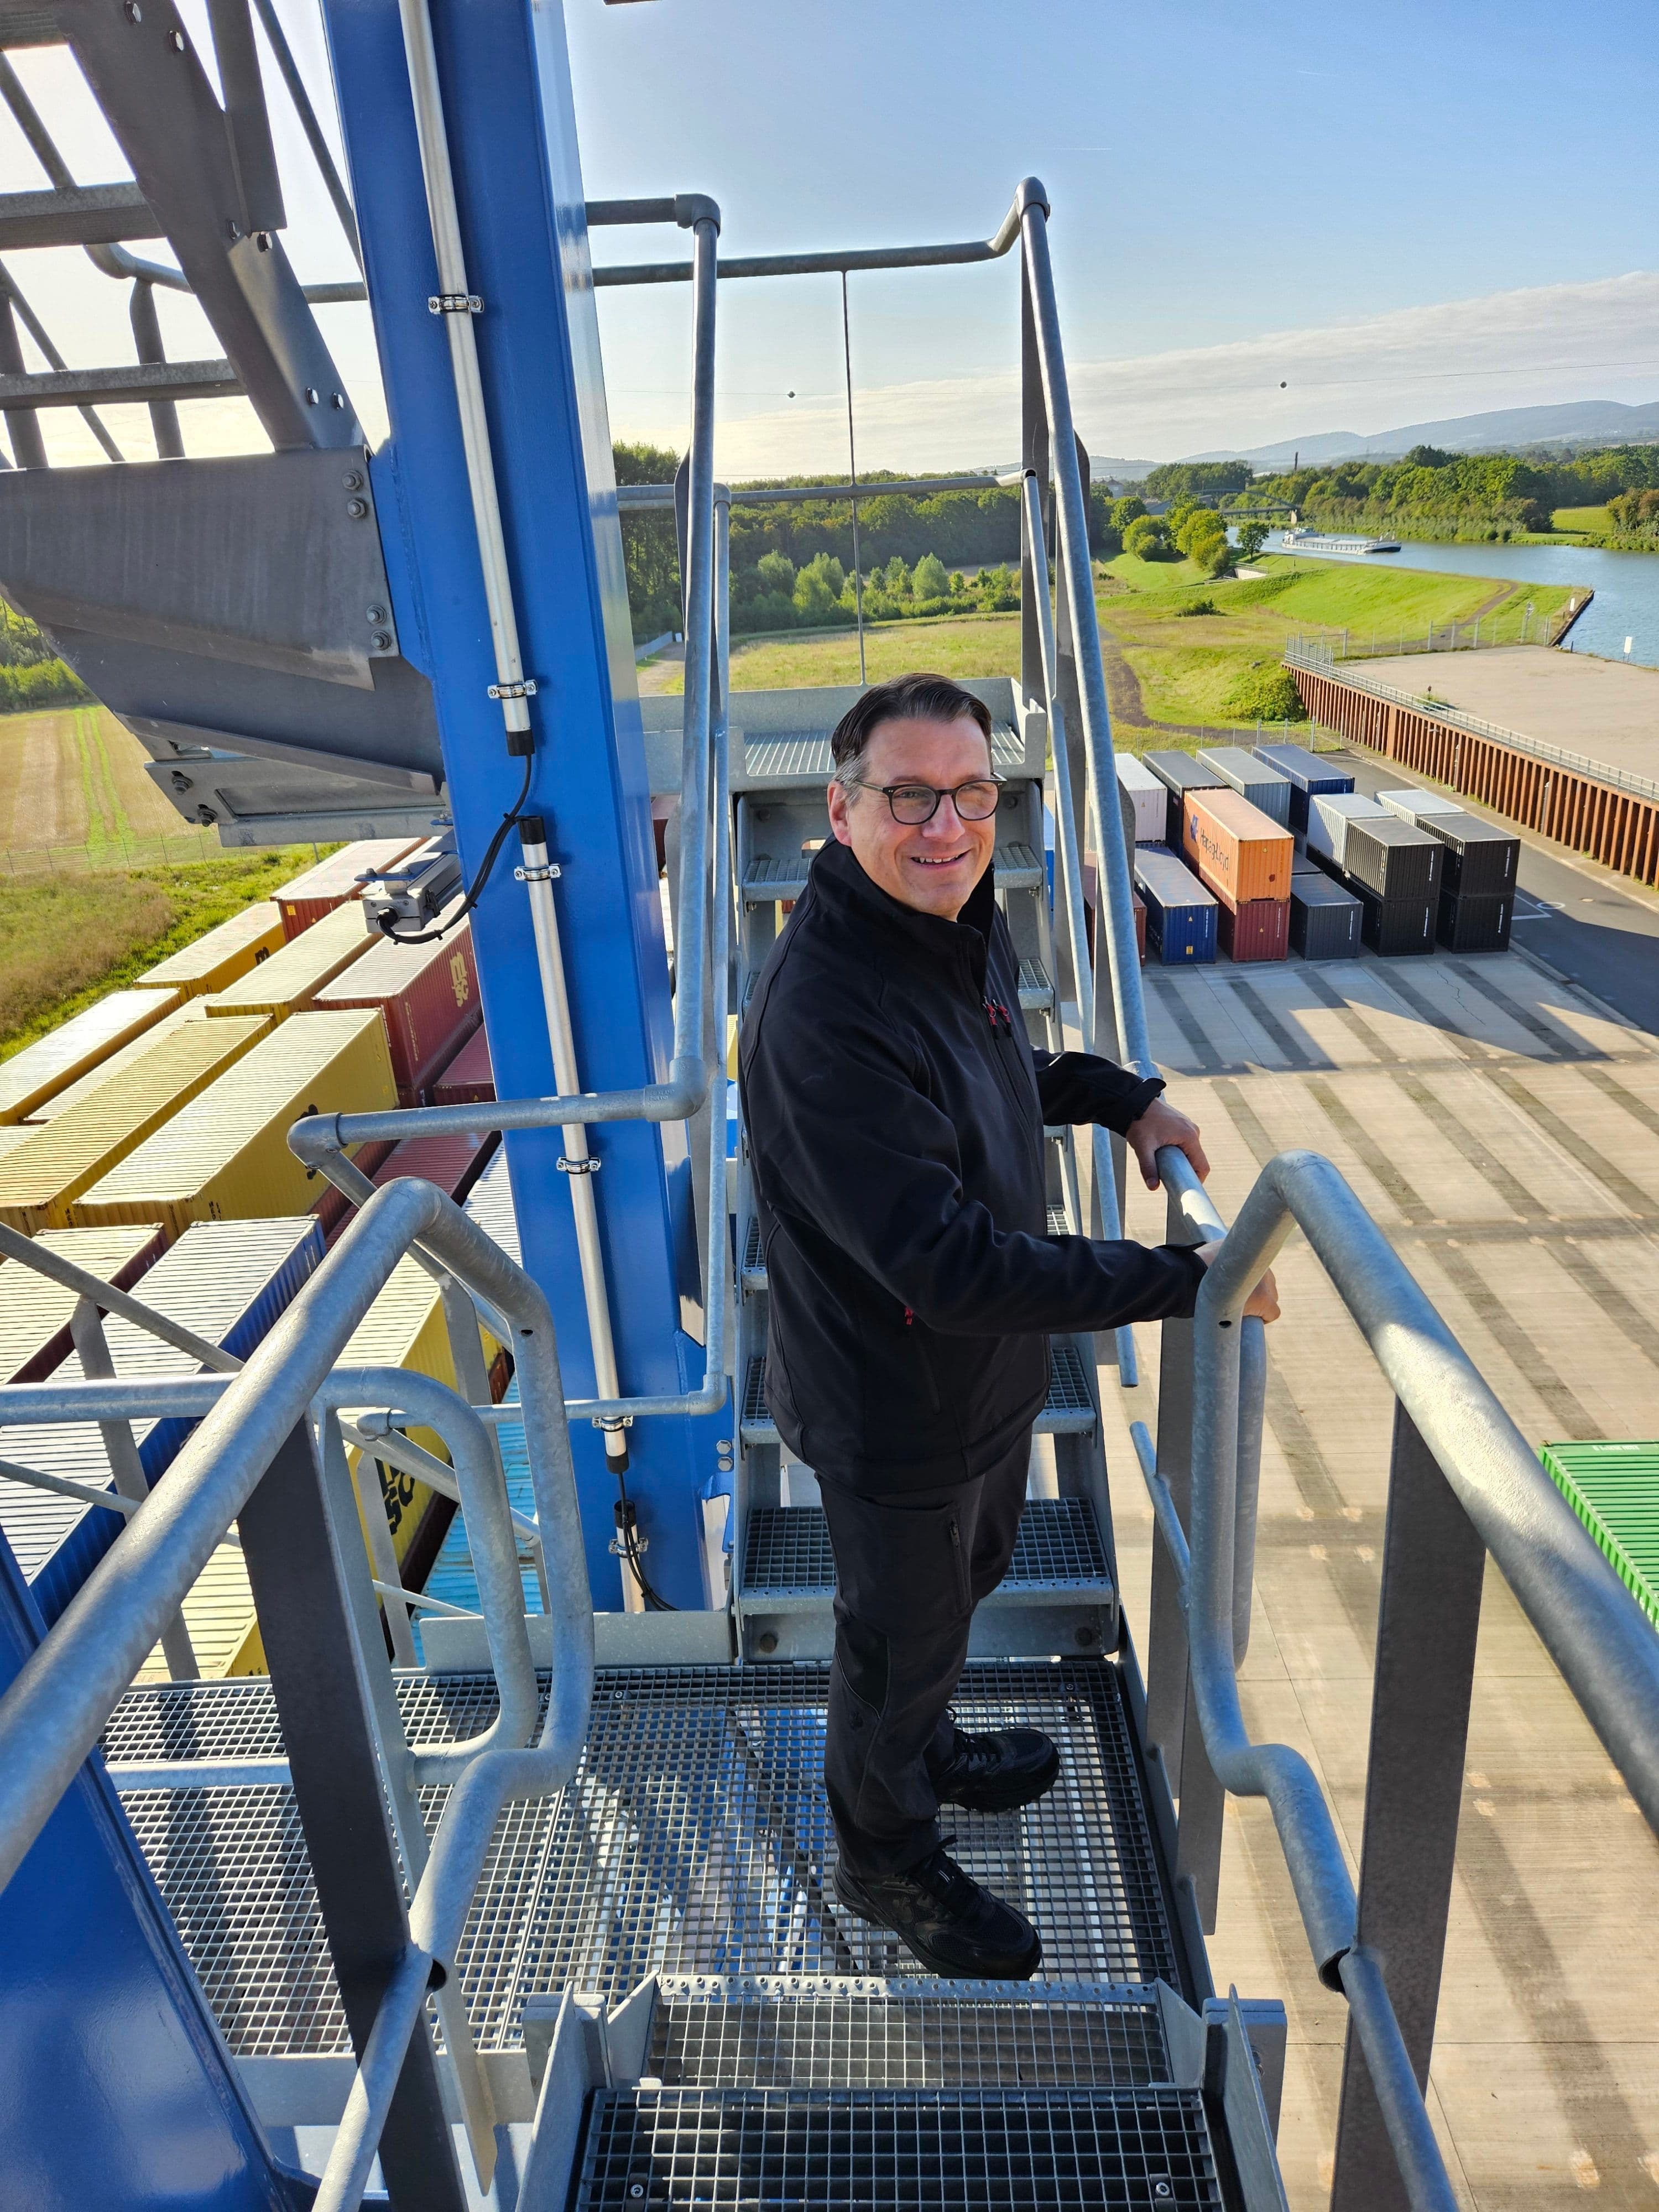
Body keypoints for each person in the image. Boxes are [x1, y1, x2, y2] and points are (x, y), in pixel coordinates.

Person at [739, 671, 1278, 1980]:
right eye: (910, 796)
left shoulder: (950, 922)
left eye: (972, 794)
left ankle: (926, 1747)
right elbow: (950, 1266)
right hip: (898, 1405)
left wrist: (1118, 1095)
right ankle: (886, 1859)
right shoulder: (824, 1011)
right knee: (896, 1641)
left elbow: (991, 1072)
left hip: (979, 1389)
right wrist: (1186, 1277)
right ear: (841, 805)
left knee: (954, 1601)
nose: (947, 826)